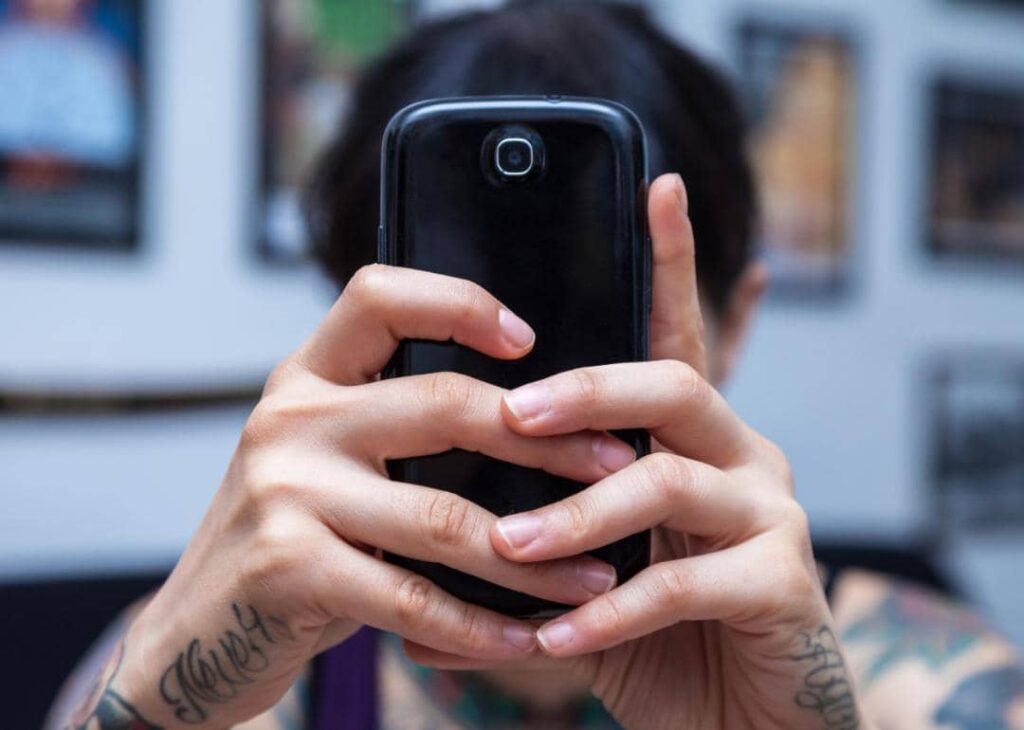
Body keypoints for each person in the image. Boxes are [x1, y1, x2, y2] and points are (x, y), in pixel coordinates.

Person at [48, 2, 1024, 729]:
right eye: (460, 326)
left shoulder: (922, 689)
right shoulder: (227, 663)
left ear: (735, 321)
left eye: (588, 327)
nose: (527, 407)